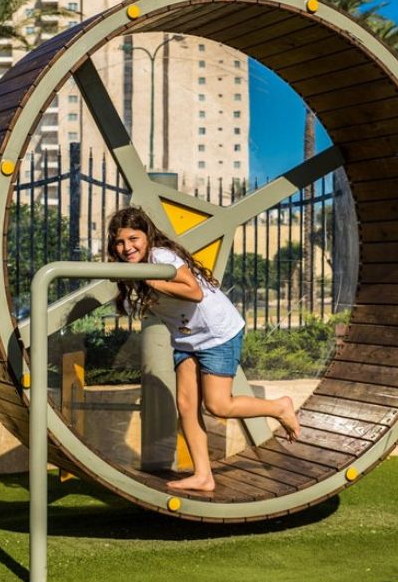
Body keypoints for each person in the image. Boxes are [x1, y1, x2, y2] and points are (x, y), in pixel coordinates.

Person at [106, 206, 300, 492]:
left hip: (216, 333)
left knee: (218, 405)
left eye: (133, 239)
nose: (127, 247)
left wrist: (153, 280)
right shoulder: (134, 266)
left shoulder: (160, 257)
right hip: (187, 338)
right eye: (120, 242)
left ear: (147, 236)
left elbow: (194, 292)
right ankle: (203, 476)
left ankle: (279, 407)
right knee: (185, 405)